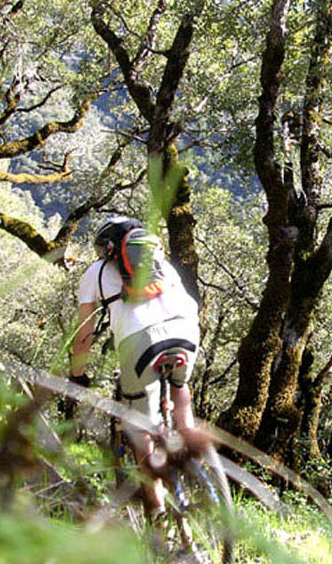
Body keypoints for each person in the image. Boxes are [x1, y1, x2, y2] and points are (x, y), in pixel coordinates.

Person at [67, 215, 200, 517]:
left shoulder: (95, 271)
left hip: (139, 344)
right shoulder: (162, 263)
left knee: (144, 435)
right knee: (180, 387)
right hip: (187, 330)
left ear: (106, 248)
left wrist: (77, 376)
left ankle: (160, 518)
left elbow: (84, 337)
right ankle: (197, 460)